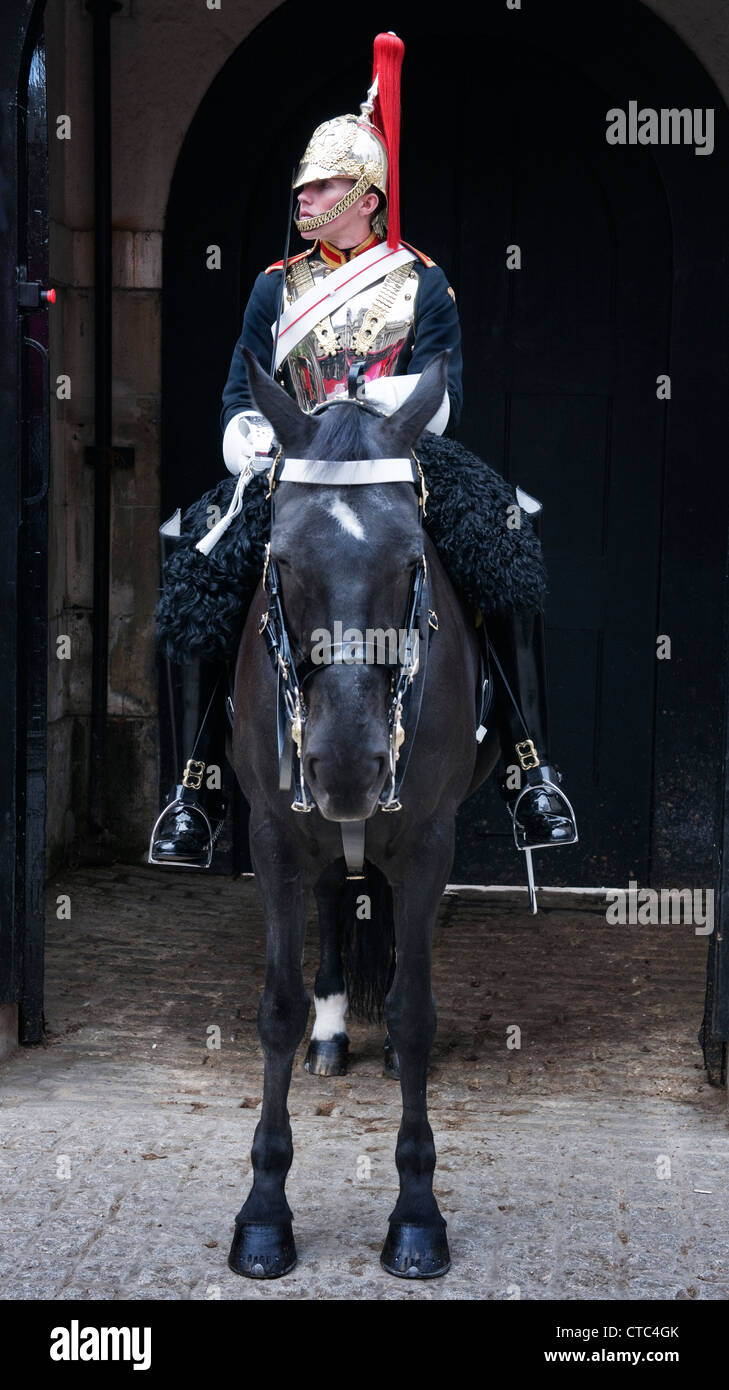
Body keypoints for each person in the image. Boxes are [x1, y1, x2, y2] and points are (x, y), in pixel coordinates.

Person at [149, 32, 577, 870]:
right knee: (190, 559)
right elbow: (243, 388)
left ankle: (528, 768)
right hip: (295, 457)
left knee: (506, 539)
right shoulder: (277, 286)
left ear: (369, 196)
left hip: (396, 456)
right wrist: (250, 435)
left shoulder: (424, 281)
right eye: (304, 186)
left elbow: (440, 393)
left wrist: (366, 406)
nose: (306, 197)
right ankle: (193, 785)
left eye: (327, 184)